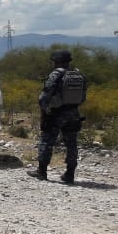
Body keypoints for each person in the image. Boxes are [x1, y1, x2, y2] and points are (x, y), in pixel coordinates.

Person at [30, 48, 87, 184]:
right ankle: (70, 174)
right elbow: (83, 97)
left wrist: (44, 111)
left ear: (56, 61)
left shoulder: (56, 75)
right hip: (74, 113)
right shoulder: (78, 75)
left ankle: (42, 171)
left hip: (57, 113)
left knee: (46, 141)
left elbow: (44, 97)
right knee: (72, 144)